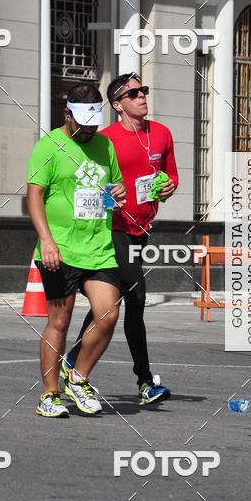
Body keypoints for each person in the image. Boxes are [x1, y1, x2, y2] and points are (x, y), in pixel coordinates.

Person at [63, 73, 178, 406]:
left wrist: (169, 187)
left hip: (141, 228)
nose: (142, 96)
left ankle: (71, 358)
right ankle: (145, 382)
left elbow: (170, 176)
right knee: (137, 296)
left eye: (144, 90)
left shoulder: (162, 134)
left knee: (109, 301)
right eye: (134, 93)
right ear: (117, 105)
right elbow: (87, 180)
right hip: (111, 229)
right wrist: (112, 198)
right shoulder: (106, 139)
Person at [26, 83, 126, 418]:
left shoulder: (105, 145)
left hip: (98, 247)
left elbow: (111, 187)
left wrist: (118, 193)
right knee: (59, 321)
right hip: (60, 249)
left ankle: (78, 377)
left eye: (94, 124)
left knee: (109, 314)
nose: (89, 131)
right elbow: (34, 196)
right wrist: (47, 240)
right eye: (83, 124)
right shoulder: (48, 147)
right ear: (67, 114)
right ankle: (49, 394)